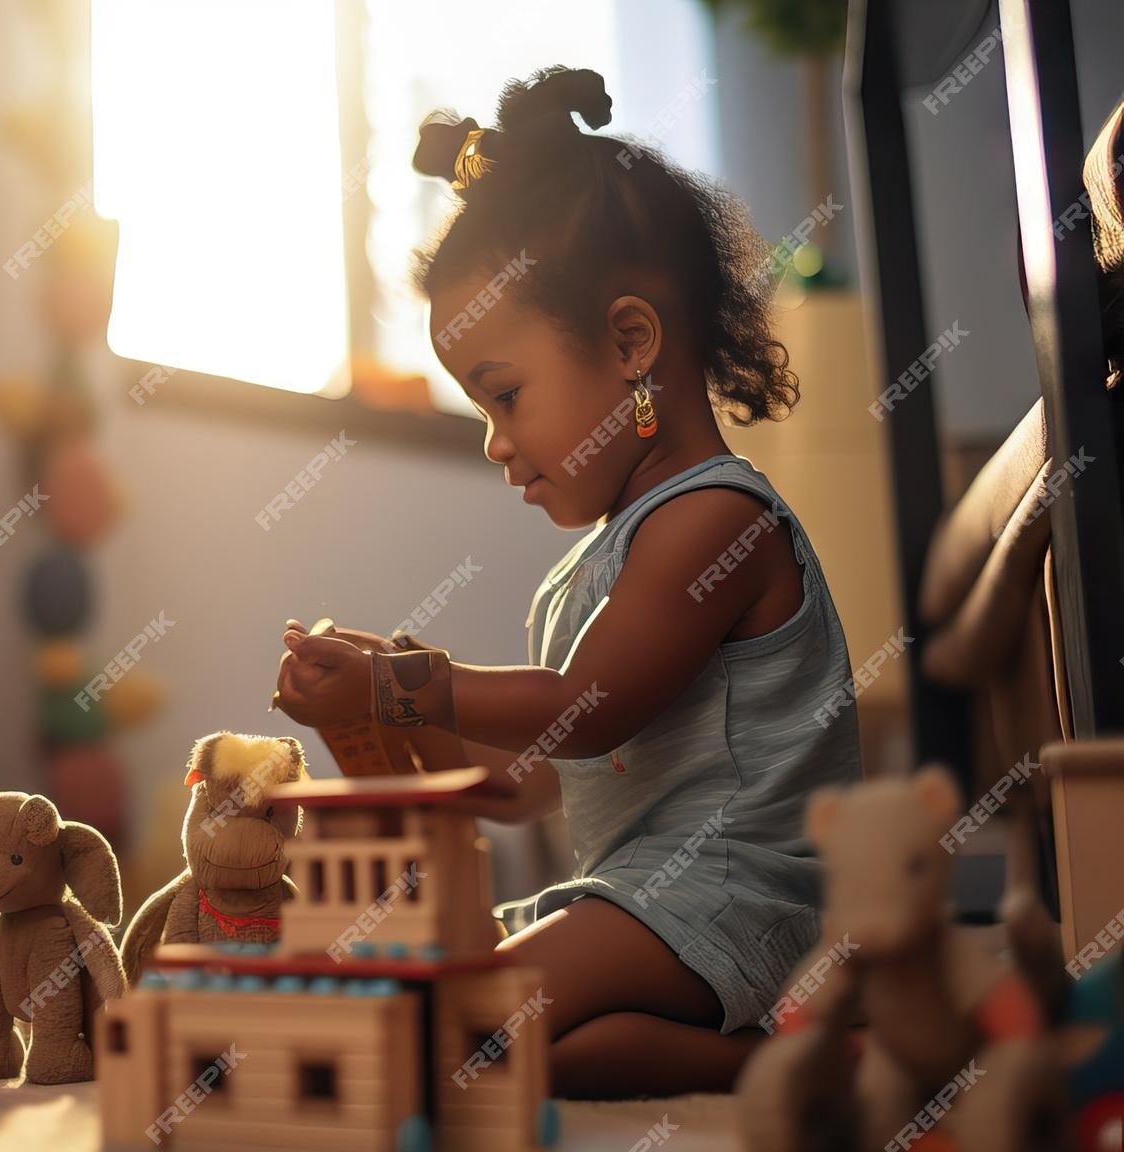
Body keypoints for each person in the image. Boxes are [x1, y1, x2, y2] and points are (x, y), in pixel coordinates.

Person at [274, 67, 862, 1098]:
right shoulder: (590, 569)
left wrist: (406, 681)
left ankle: (796, 1055)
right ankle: (753, 1060)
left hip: (742, 904)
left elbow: (579, 713)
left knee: (454, 1014)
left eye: (504, 396)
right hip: (638, 902)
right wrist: (368, 710)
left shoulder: (712, 524)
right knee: (473, 1024)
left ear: (631, 344)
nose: (495, 445)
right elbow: (526, 780)